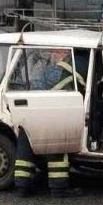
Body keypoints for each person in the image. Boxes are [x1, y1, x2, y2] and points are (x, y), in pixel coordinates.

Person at [14, 49, 86, 197]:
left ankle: (22, 187)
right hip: (55, 109)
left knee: (25, 148)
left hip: (31, 107)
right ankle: (59, 189)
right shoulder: (79, 65)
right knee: (58, 150)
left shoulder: (52, 69)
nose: (54, 55)